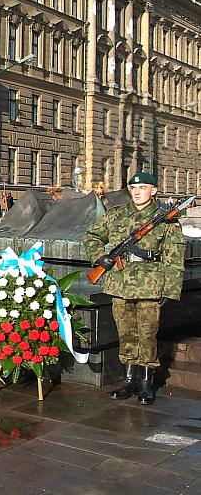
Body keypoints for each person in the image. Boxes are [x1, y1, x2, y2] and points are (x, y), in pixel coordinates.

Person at [84, 172, 185, 405]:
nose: (137, 192)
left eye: (143, 187)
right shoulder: (117, 214)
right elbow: (92, 236)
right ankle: (129, 381)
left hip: (150, 285)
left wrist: (170, 290)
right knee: (126, 334)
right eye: (133, 188)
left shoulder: (165, 219)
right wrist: (101, 258)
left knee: (147, 335)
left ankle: (146, 384)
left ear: (154, 191)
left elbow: (174, 257)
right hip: (120, 284)